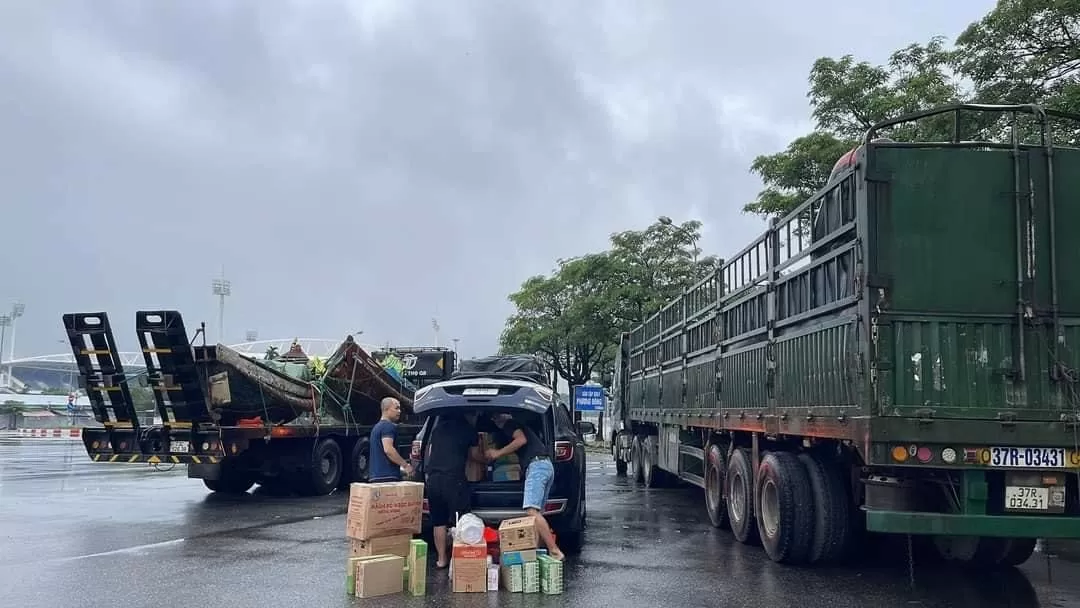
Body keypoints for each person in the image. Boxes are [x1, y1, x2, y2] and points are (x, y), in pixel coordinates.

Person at [486, 413, 564, 560]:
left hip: (536, 467)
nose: (495, 420)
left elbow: (521, 440)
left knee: (531, 511)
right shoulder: (518, 425)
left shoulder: (510, 424)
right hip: (546, 465)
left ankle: (554, 551)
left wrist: (497, 454)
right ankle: (539, 552)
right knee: (538, 513)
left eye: (496, 416)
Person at [425, 411, 483, 568]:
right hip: (453, 479)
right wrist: (487, 458)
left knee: (439, 521)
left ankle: (442, 559)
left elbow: (430, 453)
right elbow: (475, 455)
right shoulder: (468, 429)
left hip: (433, 479)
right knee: (462, 521)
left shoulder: (437, 430)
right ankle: (460, 560)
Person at [368, 397, 413, 483]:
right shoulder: (388, 426)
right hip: (388, 477)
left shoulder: (376, 428)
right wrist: (405, 465)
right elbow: (388, 450)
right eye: (396, 408)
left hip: (375, 476)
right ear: (386, 409)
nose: (399, 411)